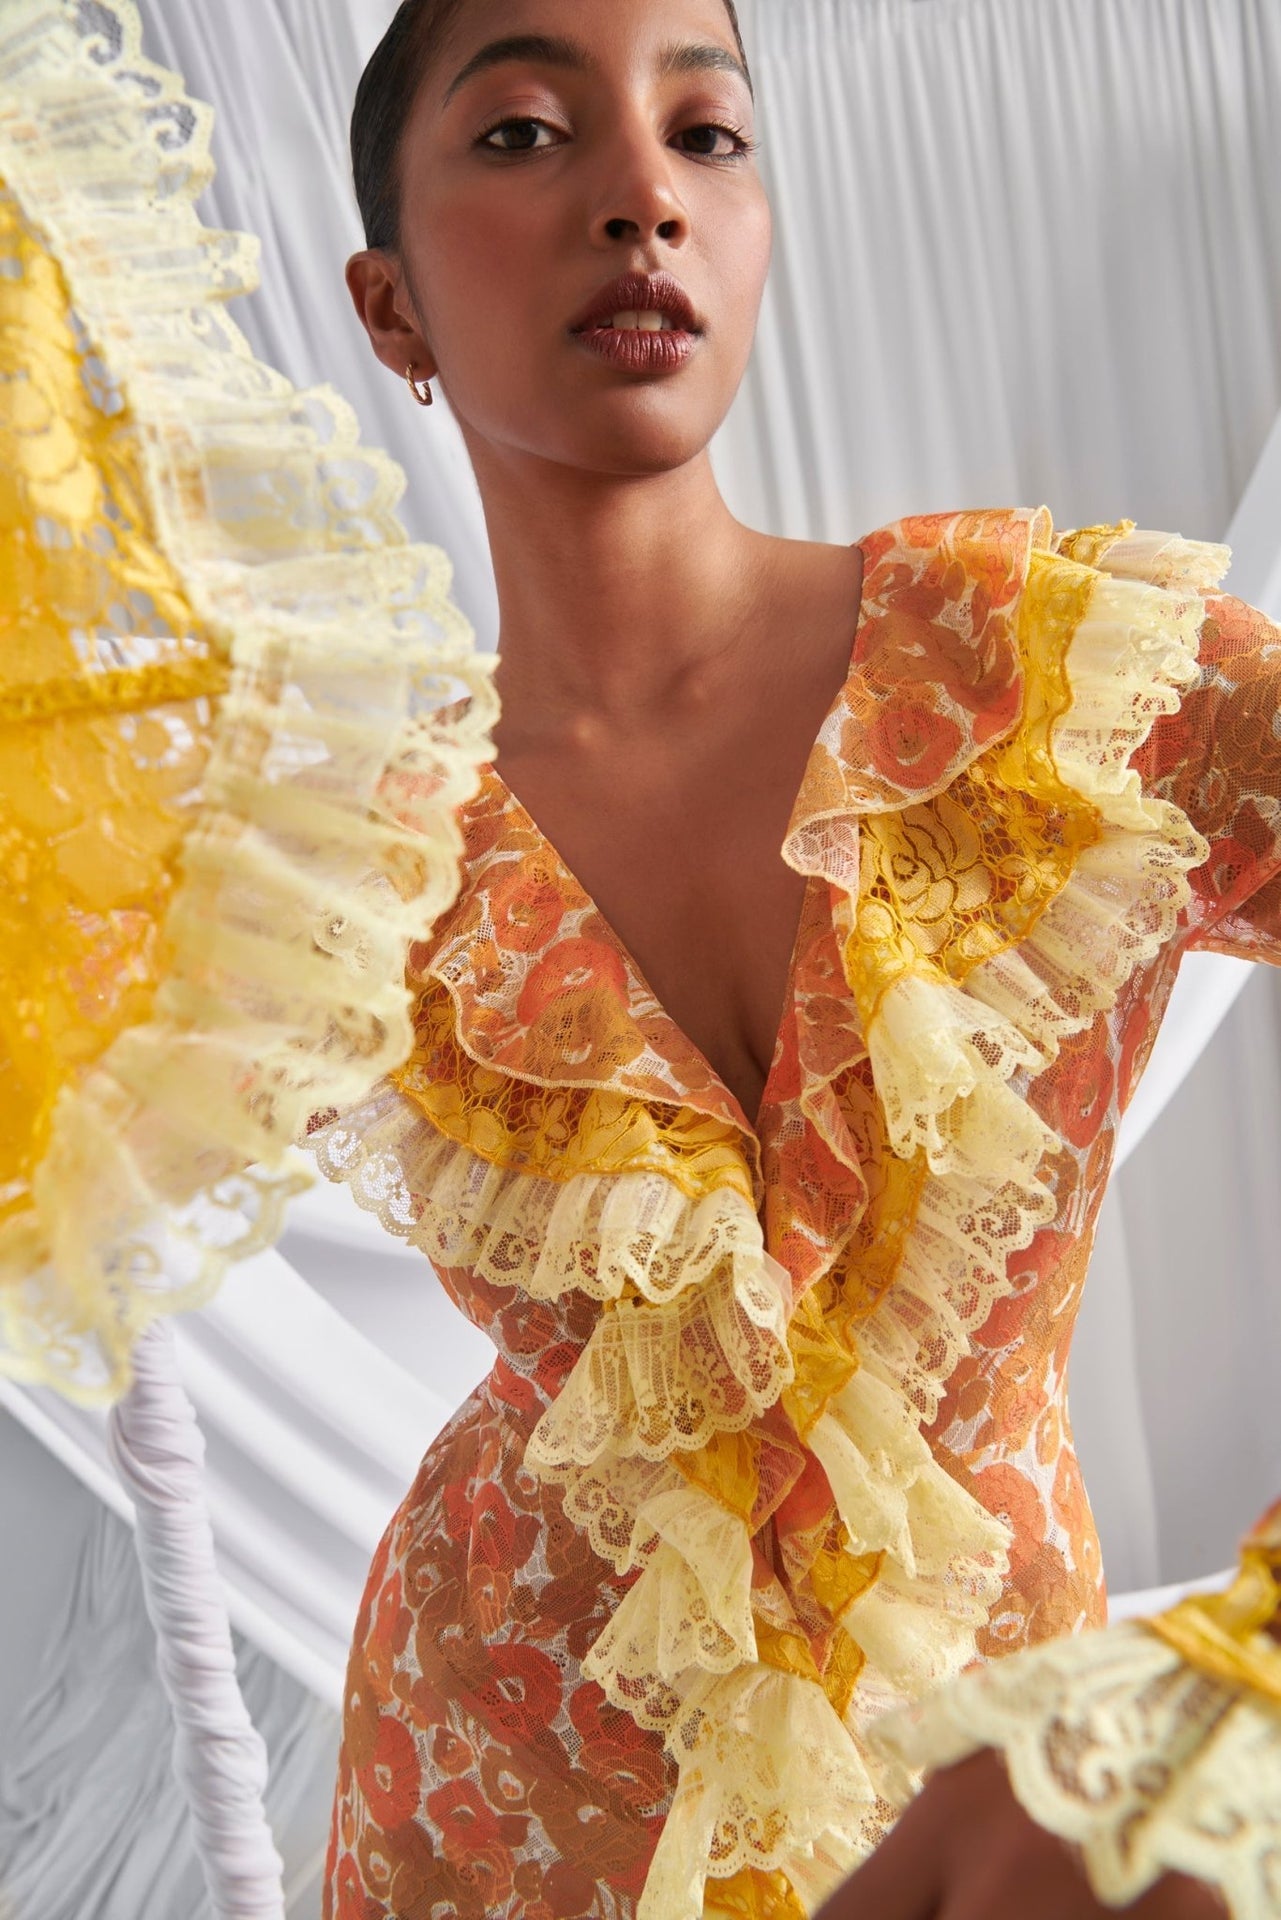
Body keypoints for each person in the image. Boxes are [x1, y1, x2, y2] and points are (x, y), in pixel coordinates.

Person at [315, 0, 1281, 1914]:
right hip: (494, 1800)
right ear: (389, 307)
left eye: (707, 136)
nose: (643, 198)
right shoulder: (342, 860)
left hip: (1011, 1795)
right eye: (523, 133)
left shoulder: (1042, 677)